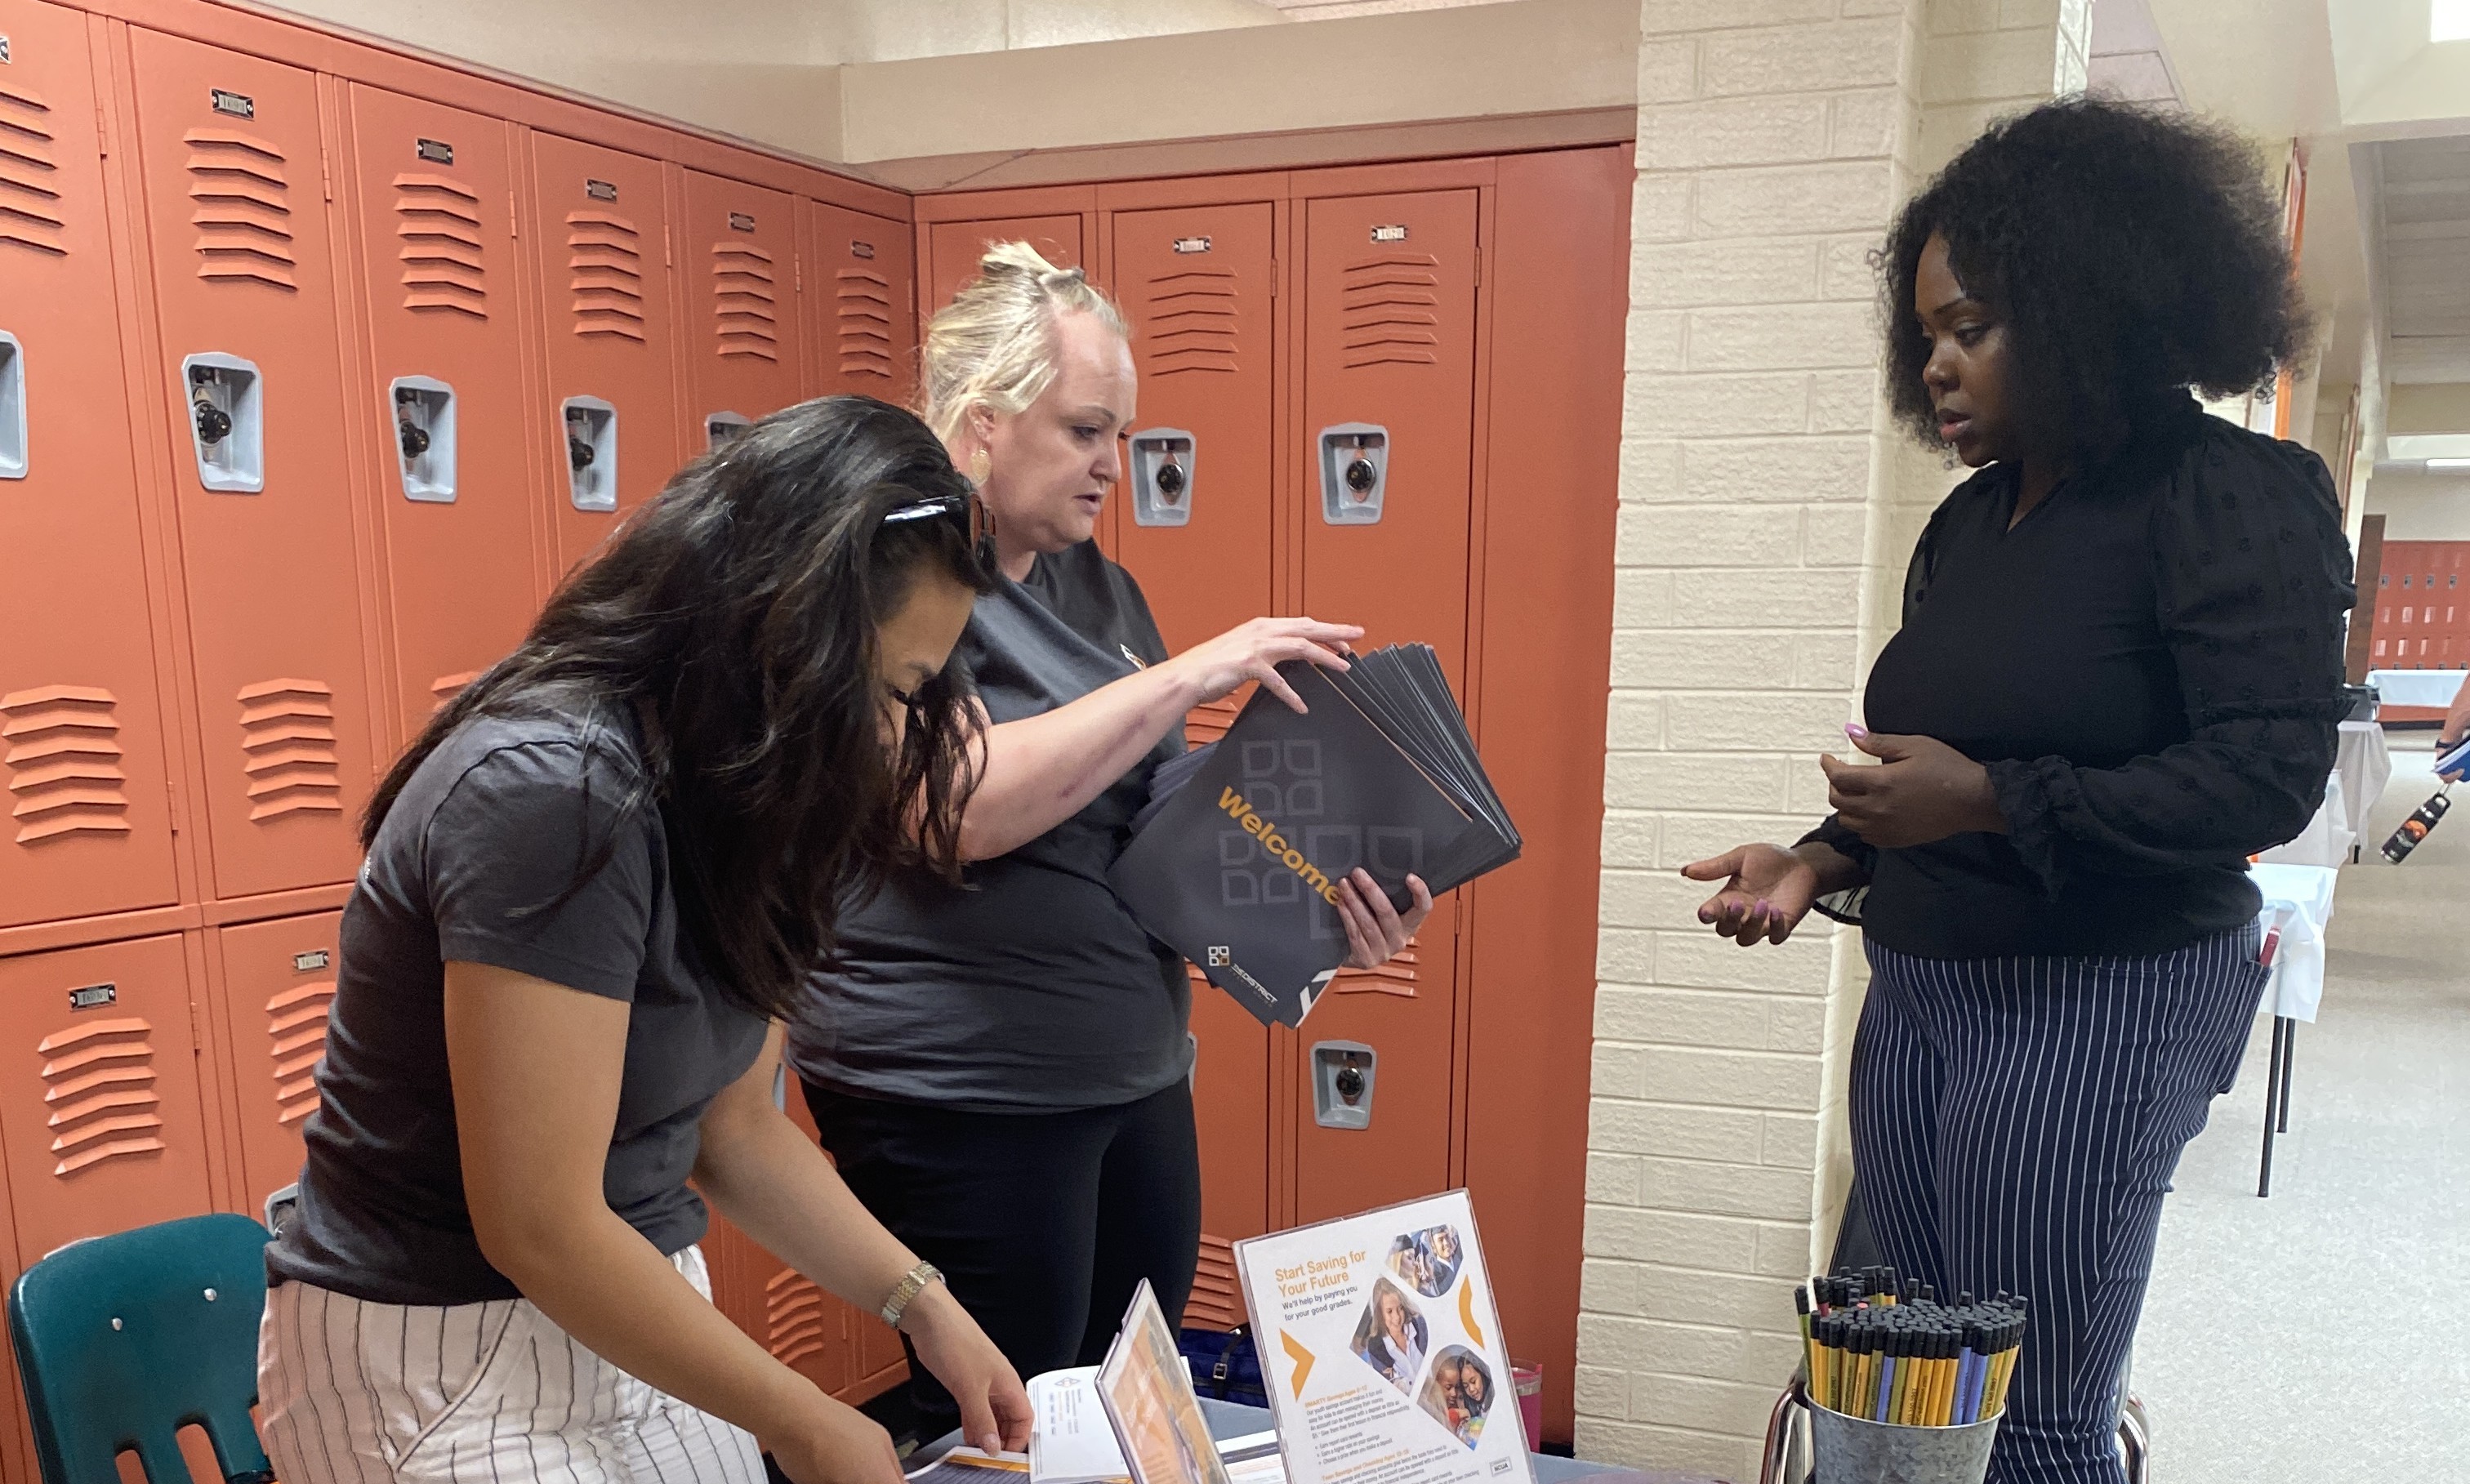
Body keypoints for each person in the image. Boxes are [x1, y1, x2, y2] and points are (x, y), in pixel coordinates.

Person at [1682, 99, 2352, 1484]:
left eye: (1971, 327)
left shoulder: (2228, 495)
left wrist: (1990, 799)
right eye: (1925, 331)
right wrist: (1818, 858)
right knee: (1897, 1380)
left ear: (2086, 308)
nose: (1934, 362)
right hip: (1922, 988)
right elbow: (1927, 766)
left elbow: (2263, 776)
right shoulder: (1970, 522)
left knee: (2032, 1415)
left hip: (2096, 997)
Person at [256, 399, 1034, 1484]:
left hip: (627, 1301)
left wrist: (924, 1303)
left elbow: (736, 1130)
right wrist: (809, 1422)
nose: (896, 732)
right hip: (437, 1349)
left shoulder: (746, 799)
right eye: (892, 688)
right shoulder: (554, 788)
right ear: (781, 634)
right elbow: (537, 1222)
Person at [788, 243, 1433, 1437]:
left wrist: (1320, 896)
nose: (1113, 466)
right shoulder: (893, 578)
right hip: (966, 1087)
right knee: (1009, 1417)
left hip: (1129, 1068)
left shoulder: (1097, 586)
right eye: (1087, 430)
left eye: (1122, 435)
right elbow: (954, 809)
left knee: (1126, 1405)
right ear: (982, 422)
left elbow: (1151, 807)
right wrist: (1191, 672)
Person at [1358, 1282, 1426, 1388]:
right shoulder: (1376, 1350)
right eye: (1389, 1311)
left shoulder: (1420, 1326)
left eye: (1400, 1308)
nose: (1397, 1317)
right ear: (1379, 1315)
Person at [1453, 1356, 1490, 1443]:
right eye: (1466, 1386)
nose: (1471, 1389)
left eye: (1473, 1381)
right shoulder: (1472, 1410)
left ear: (1483, 1375)